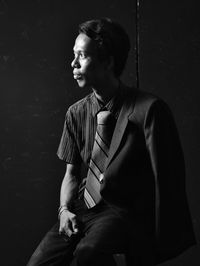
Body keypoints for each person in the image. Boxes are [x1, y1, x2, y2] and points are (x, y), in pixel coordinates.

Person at [27, 18, 196, 266]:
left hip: (123, 211)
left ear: (107, 61)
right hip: (84, 207)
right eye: (74, 55)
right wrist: (64, 210)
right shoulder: (76, 113)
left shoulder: (149, 110)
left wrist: (153, 241)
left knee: (89, 253)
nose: (73, 64)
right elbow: (71, 175)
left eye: (81, 56)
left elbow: (167, 180)